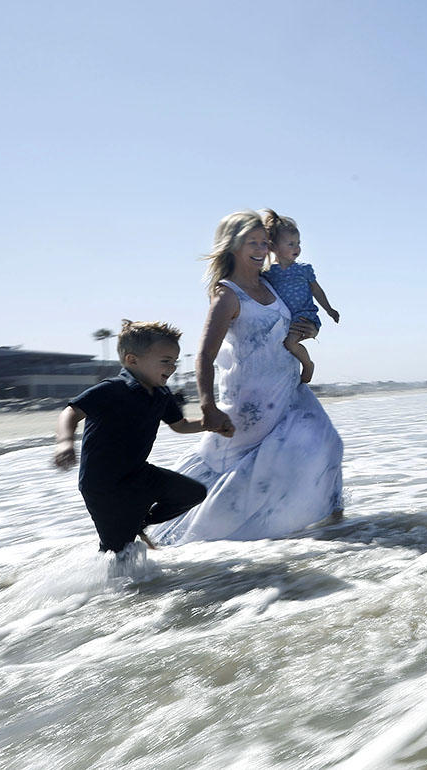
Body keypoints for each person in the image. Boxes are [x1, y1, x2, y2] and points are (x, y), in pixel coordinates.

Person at [153, 211, 344, 544]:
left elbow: (294, 320)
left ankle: (334, 534)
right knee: (246, 475)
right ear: (232, 247)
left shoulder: (271, 282)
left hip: (289, 389)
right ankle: (190, 538)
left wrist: (310, 328)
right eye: (250, 242)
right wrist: (208, 406)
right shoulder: (227, 295)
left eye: (263, 242)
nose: (260, 248)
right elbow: (204, 356)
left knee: (327, 447)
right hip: (251, 400)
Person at [53, 320, 210, 554]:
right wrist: (65, 443)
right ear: (132, 360)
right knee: (117, 554)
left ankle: (140, 522)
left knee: (192, 493)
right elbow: (70, 412)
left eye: (174, 362)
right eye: (166, 361)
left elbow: (180, 425)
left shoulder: (162, 394)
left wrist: (211, 425)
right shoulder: (113, 389)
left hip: (138, 474)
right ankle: (104, 587)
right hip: (103, 486)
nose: (173, 367)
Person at [259, 209, 340, 383]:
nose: (297, 248)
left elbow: (317, 290)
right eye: (290, 244)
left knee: (290, 344)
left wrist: (329, 309)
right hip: (285, 320)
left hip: (304, 316)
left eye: (298, 243)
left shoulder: (304, 269)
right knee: (283, 345)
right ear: (273, 247)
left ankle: (308, 364)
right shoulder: (268, 272)